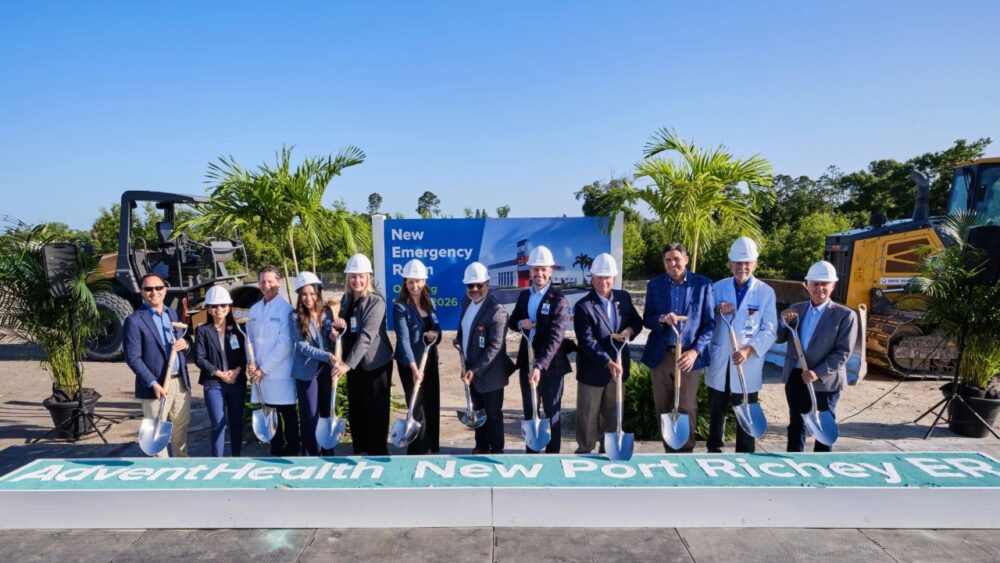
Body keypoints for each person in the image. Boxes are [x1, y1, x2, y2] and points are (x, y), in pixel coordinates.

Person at [641, 242, 715, 452]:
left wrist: (695, 351)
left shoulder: (703, 284)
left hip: (688, 357)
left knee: (686, 406)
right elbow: (647, 319)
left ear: (686, 260)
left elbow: (709, 325)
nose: (673, 263)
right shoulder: (655, 285)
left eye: (676, 259)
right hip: (661, 355)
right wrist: (661, 319)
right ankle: (669, 450)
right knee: (663, 406)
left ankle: (686, 452)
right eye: (668, 260)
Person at [777, 260, 857, 452]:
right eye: (815, 283)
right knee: (796, 425)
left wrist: (817, 372)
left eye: (824, 284)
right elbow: (780, 338)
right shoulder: (797, 309)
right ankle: (794, 461)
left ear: (833, 285)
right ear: (807, 285)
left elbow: (843, 352)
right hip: (796, 377)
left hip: (824, 381)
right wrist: (782, 322)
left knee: (823, 429)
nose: (819, 288)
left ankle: (821, 464)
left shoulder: (845, 315)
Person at [706, 237, 777, 453]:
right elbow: (705, 318)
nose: (742, 267)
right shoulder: (717, 287)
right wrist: (717, 309)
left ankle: (745, 454)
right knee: (716, 411)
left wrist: (749, 349)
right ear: (730, 264)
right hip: (721, 359)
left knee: (745, 410)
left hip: (747, 361)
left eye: (746, 263)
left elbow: (770, 329)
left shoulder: (765, 292)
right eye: (737, 263)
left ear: (755, 264)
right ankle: (714, 451)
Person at [572, 253, 643, 454]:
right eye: (600, 277)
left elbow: (637, 321)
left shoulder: (623, 298)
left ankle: (609, 451)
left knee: (613, 414)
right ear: (592, 279)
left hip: (618, 369)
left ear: (614, 278)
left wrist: (630, 330)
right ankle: (585, 451)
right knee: (588, 416)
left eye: (607, 277)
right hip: (593, 370)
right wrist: (607, 362)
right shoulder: (583, 306)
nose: (604, 281)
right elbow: (586, 341)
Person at [509, 245, 572, 454]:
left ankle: (553, 456)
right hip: (526, 363)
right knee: (530, 410)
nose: (539, 273)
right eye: (535, 269)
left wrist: (539, 366)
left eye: (543, 269)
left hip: (551, 366)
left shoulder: (559, 300)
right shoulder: (524, 297)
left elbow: (556, 338)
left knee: (552, 413)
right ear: (530, 271)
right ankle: (532, 454)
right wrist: (521, 323)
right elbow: (512, 321)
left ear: (550, 271)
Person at [123, 272, 191, 457]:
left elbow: (185, 343)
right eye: (149, 289)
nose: (154, 292)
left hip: (180, 383)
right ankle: (162, 471)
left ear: (165, 290)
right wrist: (153, 383)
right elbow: (133, 358)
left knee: (180, 432)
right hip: (155, 388)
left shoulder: (172, 314)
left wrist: (185, 344)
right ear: (141, 292)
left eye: (158, 288)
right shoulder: (134, 321)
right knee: (157, 437)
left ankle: (182, 467)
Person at [332, 253, 394, 455]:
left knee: (376, 409)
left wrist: (347, 364)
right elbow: (345, 327)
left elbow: (367, 335)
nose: (357, 280)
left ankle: (377, 452)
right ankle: (360, 449)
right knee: (357, 406)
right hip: (354, 362)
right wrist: (336, 330)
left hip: (375, 363)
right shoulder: (346, 298)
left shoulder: (376, 300)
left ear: (368, 277)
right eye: (353, 276)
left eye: (361, 276)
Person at [455, 262, 515, 454]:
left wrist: (474, 370)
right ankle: (481, 447)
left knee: (493, 416)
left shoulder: (497, 311)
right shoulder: (466, 303)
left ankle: (497, 451)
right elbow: (464, 328)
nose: (474, 289)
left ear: (487, 284)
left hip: (491, 375)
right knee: (477, 412)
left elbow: (495, 347)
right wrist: (459, 340)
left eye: (479, 285)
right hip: (471, 371)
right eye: (470, 286)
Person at [247, 265, 298, 456]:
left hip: (280, 373)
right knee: (269, 412)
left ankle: (293, 450)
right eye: (262, 281)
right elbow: (249, 340)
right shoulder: (254, 310)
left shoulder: (287, 310)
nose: (266, 285)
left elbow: (285, 344)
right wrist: (251, 363)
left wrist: (264, 369)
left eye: (270, 281)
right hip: (260, 372)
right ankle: (276, 449)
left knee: (288, 414)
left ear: (279, 282)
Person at [392, 259, 441, 454]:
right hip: (409, 363)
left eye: (418, 281)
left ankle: (431, 447)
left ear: (424, 281)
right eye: (410, 282)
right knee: (417, 406)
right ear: (405, 282)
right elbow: (403, 340)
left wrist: (435, 334)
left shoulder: (430, 303)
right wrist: (413, 368)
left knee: (431, 403)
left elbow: (437, 329)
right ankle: (417, 451)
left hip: (429, 360)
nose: (414, 286)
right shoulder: (400, 306)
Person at [193, 285, 247, 457]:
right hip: (214, 383)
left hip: (236, 382)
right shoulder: (202, 330)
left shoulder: (238, 329)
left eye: (223, 305)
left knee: (236, 422)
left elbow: (245, 354)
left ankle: (236, 458)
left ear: (229, 307)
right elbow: (199, 358)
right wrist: (219, 373)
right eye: (214, 306)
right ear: (208, 309)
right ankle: (218, 460)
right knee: (218, 423)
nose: (219, 309)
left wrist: (237, 370)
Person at [291, 271, 337, 456]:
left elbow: (331, 340)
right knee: (310, 415)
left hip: (325, 369)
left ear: (318, 293)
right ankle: (311, 454)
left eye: (312, 293)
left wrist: (334, 338)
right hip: (306, 371)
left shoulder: (327, 313)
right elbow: (303, 347)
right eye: (304, 294)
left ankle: (328, 451)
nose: (308, 298)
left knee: (326, 412)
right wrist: (328, 355)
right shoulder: (295, 316)